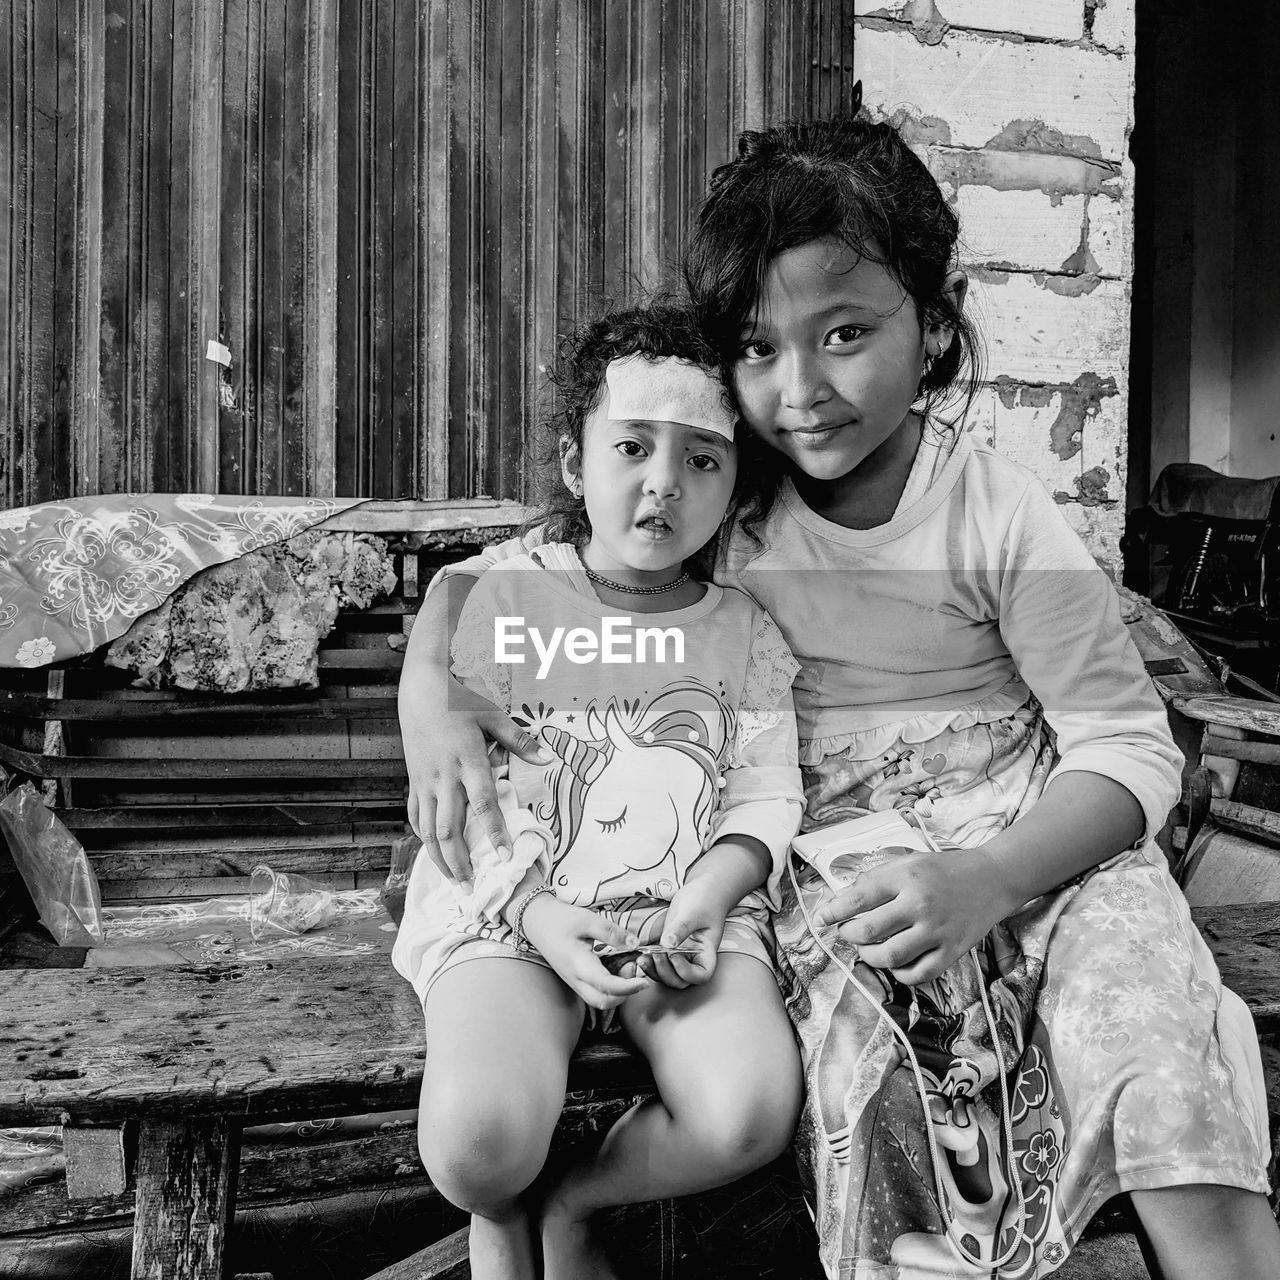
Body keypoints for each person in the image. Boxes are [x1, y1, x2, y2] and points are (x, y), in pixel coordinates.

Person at [399, 106, 1280, 1280]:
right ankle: (599, 1201)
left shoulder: (995, 515)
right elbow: (504, 588)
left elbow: (1127, 751)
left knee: (1155, 1064)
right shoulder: (724, 503)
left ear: (930, 329)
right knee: (879, 1093)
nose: (799, 387)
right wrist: (434, 700)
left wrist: (990, 877)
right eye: (758, 348)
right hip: (831, 872)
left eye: (845, 332)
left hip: (1038, 851)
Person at [392, 301, 805, 1280]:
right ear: (577, 464)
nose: (663, 483)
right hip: (510, 915)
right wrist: (535, 914)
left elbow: (763, 798)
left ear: (733, 478)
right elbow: (465, 807)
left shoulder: (743, 630)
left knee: (748, 1108)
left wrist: (705, 899)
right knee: (475, 1144)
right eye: (631, 446)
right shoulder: (503, 596)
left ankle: (581, 1195)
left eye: (702, 458)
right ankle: (506, 1202)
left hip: (680, 919)